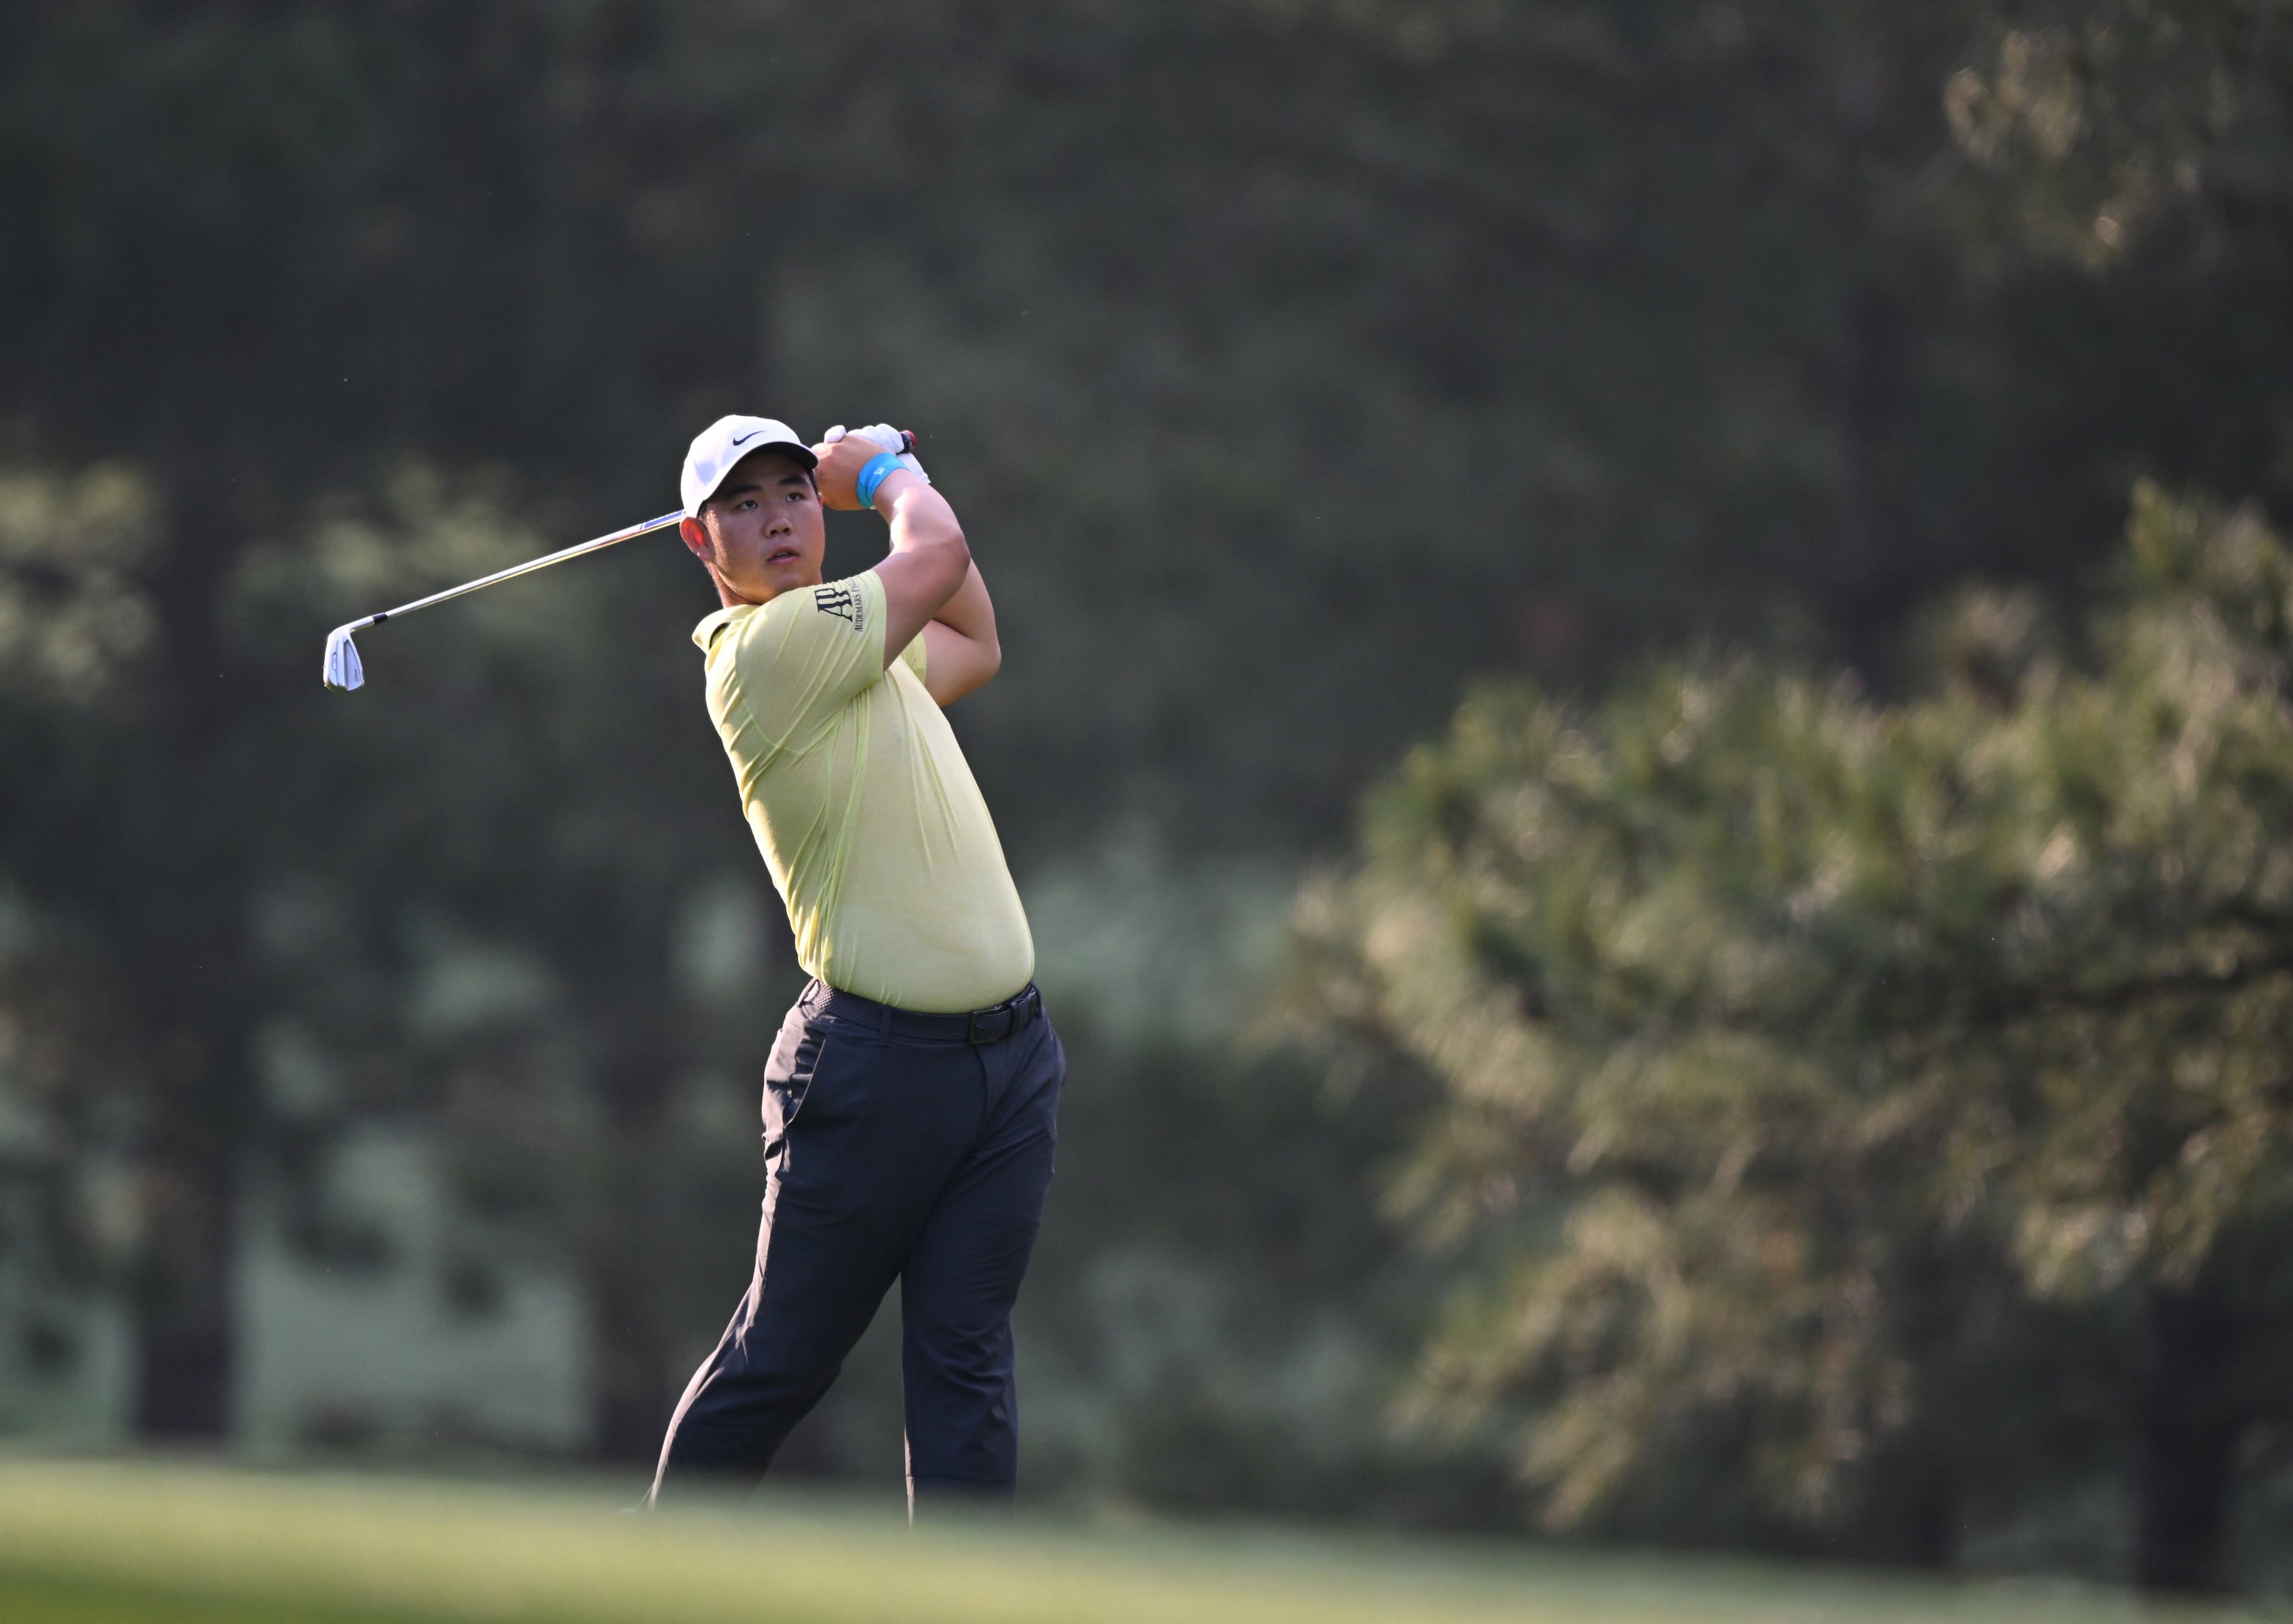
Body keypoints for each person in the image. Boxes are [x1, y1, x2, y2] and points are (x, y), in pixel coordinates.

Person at [648, 415, 1062, 1514]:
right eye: (744, 503)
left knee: (966, 1365)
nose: (779, 516)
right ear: (701, 542)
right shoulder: (770, 654)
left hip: (1009, 1063)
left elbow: (972, 638)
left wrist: (881, 495)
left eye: (793, 491)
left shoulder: (853, 643)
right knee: (780, 1359)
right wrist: (881, 470)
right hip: (876, 1069)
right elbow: (937, 558)